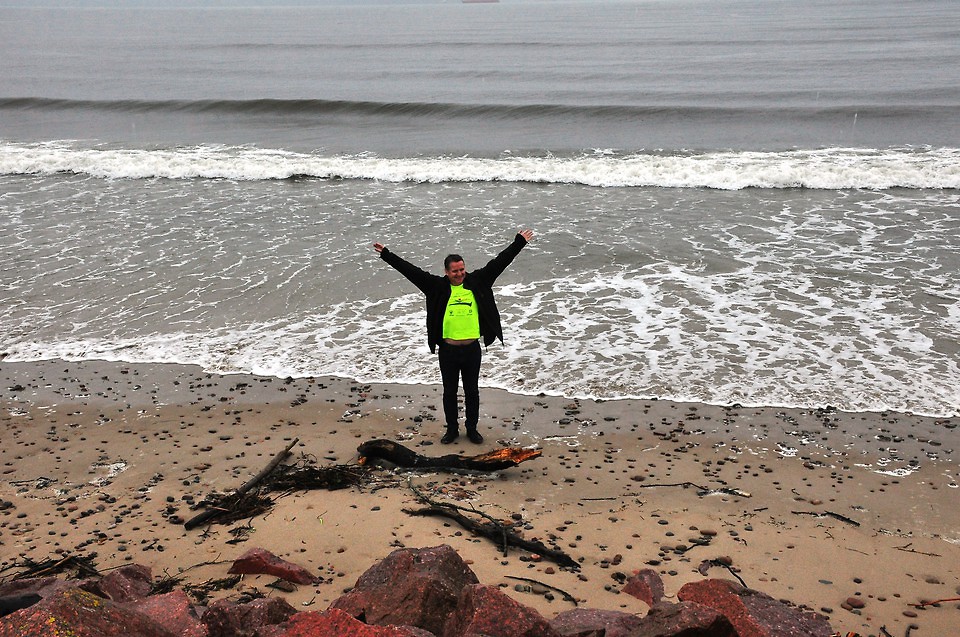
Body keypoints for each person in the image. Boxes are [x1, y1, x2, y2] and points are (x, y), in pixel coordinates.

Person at [373, 229, 534, 444]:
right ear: (447, 272)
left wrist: (519, 242)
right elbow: (411, 271)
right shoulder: (436, 287)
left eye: (462, 269)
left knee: (472, 391)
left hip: (472, 349)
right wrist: (387, 255)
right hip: (448, 351)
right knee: (449, 391)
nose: (459, 274)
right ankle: (452, 430)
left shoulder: (478, 281)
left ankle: (472, 429)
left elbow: (500, 262)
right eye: (455, 271)